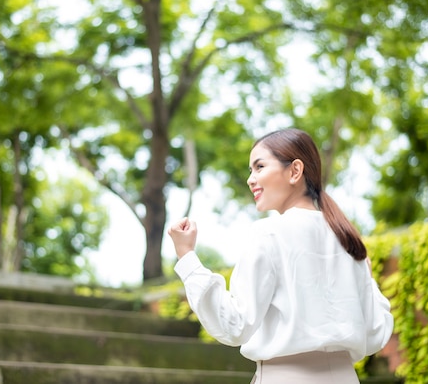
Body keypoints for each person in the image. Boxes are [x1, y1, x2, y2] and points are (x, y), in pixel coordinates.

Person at [168, 128, 394, 383]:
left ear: (295, 171)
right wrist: (371, 282)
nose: (251, 179)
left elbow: (234, 324)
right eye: (250, 170)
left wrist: (186, 256)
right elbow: (375, 334)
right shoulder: (348, 240)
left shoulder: (268, 233)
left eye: (259, 166)